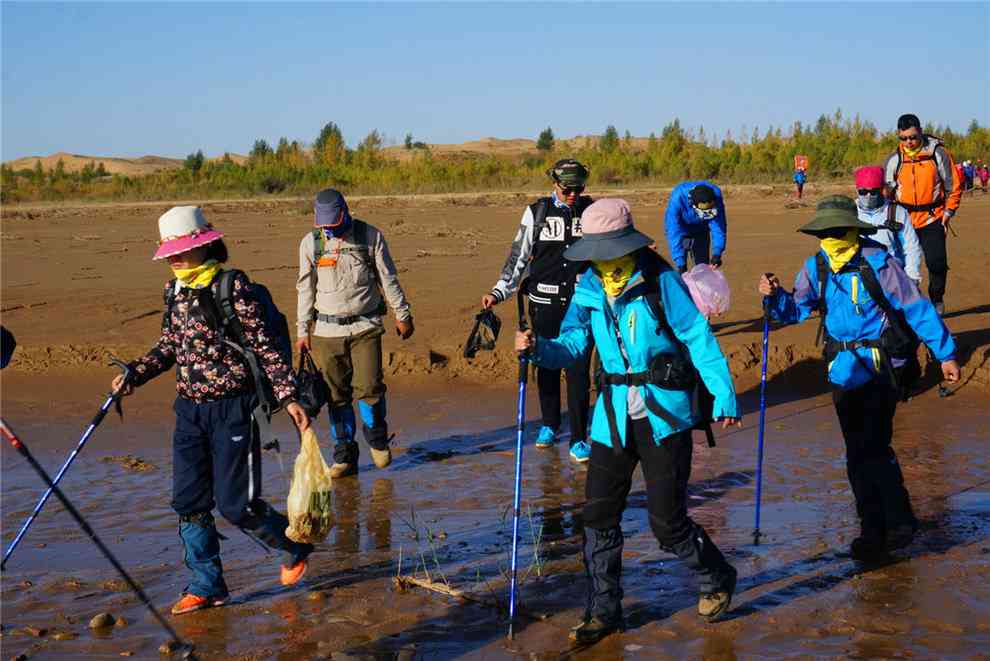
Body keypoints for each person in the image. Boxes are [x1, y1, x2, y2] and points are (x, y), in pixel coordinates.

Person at [516, 198, 741, 642]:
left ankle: (717, 575)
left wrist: (724, 392)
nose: (602, 261)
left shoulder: (660, 280)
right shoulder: (588, 286)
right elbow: (575, 344)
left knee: (667, 523)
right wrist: (539, 349)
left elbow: (697, 335)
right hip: (612, 418)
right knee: (597, 517)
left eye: (608, 251)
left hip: (665, 418)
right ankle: (604, 612)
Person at [113, 206, 313, 615]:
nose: (173, 258)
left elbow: (265, 348)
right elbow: (170, 346)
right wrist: (134, 374)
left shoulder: (231, 286)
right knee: (189, 502)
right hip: (189, 411)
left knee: (237, 504)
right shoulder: (174, 291)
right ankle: (206, 585)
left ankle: (292, 547)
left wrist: (289, 397)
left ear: (204, 245)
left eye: (180, 250)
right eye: (169, 251)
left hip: (234, 410)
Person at [758, 196, 960, 561]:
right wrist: (773, 298)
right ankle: (875, 526)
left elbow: (917, 309)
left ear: (854, 230)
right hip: (842, 372)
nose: (833, 237)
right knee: (858, 451)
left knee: (874, 446)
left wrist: (945, 353)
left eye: (839, 231)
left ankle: (895, 523)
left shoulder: (880, 263)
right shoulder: (816, 268)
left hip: (883, 368)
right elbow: (794, 310)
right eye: (826, 232)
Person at [482, 159, 594, 462]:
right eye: (567, 188)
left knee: (579, 372)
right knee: (545, 365)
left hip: (581, 305)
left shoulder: (593, 211)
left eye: (579, 188)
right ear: (554, 184)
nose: (573, 194)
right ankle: (549, 424)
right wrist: (499, 291)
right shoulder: (537, 212)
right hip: (543, 303)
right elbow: (518, 256)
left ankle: (579, 438)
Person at [296, 189, 413, 478]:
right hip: (326, 332)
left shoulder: (371, 236)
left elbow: (388, 278)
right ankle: (345, 454)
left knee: (370, 387)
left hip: (366, 327)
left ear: (345, 212)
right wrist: (302, 331)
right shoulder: (310, 243)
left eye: (333, 224)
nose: (329, 230)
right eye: (324, 225)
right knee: (336, 395)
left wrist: (403, 314)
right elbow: (304, 288)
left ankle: (376, 438)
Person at [885, 114, 963, 315]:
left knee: (937, 263)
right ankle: (911, 304)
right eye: (903, 138)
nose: (908, 142)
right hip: (904, 221)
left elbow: (953, 185)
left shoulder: (938, 154)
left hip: (933, 217)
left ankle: (937, 299)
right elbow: (888, 192)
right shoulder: (895, 160)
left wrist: (948, 212)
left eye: (912, 137)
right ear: (898, 136)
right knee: (903, 267)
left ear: (920, 131)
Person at [853, 166, 923, 286]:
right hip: (858, 276)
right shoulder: (849, 211)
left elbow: (911, 246)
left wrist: (912, 275)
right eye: (863, 192)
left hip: (892, 275)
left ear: (881, 189)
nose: (868, 196)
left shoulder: (897, 212)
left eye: (873, 192)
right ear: (857, 189)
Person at [663, 180, 728, 274]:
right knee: (680, 268)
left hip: (701, 229)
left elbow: (718, 225)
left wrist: (717, 253)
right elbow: (673, 231)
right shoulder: (678, 198)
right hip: (681, 229)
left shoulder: (716, 195)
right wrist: (680, 262)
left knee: (702, 267)